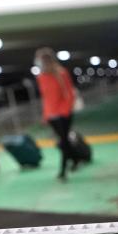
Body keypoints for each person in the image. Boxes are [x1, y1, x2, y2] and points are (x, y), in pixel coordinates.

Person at [34, 47, 77, 181]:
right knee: (62, 142)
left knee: (64, 141)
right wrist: (46, 115)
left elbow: (69, 93)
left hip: (63, 114)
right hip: (51, 115)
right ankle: (75, 159)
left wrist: (65, 111)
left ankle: (63, 170)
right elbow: (45, 97)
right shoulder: (41, 77)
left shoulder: (61, 73)